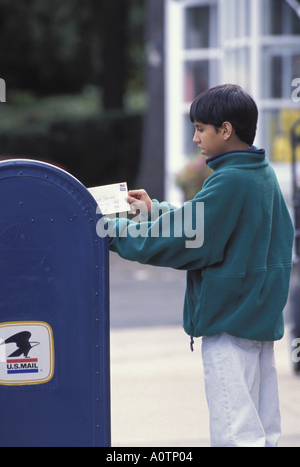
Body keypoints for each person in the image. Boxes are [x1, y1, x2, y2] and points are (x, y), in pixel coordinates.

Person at [104, 84, 294, 447]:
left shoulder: (230, 181)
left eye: (200, 128)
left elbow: (184, 240)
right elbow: (205, 224)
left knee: (235, 437)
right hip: (257, 325)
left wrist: (111, 232)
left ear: (225, 130)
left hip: (229, 328)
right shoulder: (259, 172)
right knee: (264, 434)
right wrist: (155, 212)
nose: (195, 138)